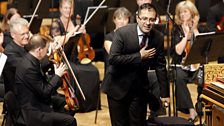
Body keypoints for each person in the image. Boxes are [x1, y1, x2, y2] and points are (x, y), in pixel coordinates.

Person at [102, 3, 169, 126]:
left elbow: (160, 66)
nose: (148, 23)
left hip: (139, 88)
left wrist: (165, 94)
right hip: (117, 87)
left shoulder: (158, 37)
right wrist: (139, 56)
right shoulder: (123, 33)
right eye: (144, 18)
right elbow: (113, 59)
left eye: (151, 19)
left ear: (155, 20)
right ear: (138, 18)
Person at [14, 34, 76, 126]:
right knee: (70, 121)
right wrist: (57, 75)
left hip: (35, 100)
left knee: (66, 104)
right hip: (33, 111)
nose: (48, 51)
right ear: (39, 50)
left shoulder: (29, 59)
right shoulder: (29, 68)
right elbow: (46, 92)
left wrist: (52, 55)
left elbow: (40, 71)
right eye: (47, 49)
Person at [53, 0, 100, 112]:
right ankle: (79, 104)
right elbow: (58, 42)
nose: (68, 10)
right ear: (60, 9)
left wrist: (83, 32)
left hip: (76, 57)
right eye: (65, 8)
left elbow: (82, 41)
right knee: (79, 72)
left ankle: (91, 104)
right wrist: (72, 32)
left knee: (94, 70)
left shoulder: (75, 21)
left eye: (70, 8)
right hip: (64, 58)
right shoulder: (56, 23)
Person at [171, 0, 200, 122]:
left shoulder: (197, 29)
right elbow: (178, 51)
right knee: (178, 77)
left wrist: (194, 29)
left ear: (192, 13)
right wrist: (186, 34)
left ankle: (201, 102)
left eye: (185, 12)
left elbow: (200, 47)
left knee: (205, 74)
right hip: (180, 65)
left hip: (194, 65)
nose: (182, 15)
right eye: (180, 12)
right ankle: (191, 109)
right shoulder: (176, 30)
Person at [103, 7, 131, 73]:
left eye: (125, 19)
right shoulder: (109, 37)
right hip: (113, 72)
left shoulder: (131, 36)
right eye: (119, 18)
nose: (122, 22)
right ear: (114, 20)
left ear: (128, 21)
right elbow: (115, 56)